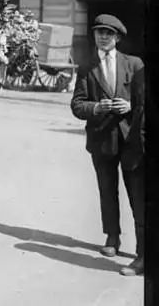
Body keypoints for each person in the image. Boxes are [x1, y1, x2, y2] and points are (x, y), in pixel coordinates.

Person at [70, 14, 144, 276]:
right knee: (107, 190)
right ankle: (112, 238)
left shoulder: (134, 64)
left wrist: (131, 107)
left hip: (132, 140)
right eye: (99, 32)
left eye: (108, 33)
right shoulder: (86, 66)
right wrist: (97, 107)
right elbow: (77, 105)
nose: (103, 36)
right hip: (101, 139)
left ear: (118, 38)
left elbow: (145, 104)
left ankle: (143, 252)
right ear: (94, 36)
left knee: (139, 195)